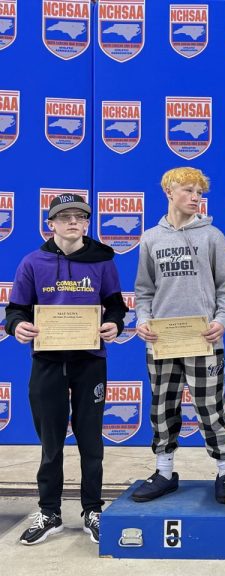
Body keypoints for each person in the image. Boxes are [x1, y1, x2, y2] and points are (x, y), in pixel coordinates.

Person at [5, 193, 128, 545]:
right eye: (65, 216)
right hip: (48, 361)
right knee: (51, 441)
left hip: (89, 361)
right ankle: (50, 511)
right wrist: (17, 326)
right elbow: (15, 309)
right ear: (51, 224)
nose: (74, 222)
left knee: (90, 440)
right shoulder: (33, 262)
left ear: (87, 223)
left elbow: (115, 306)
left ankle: (92, 509)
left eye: (80, 216)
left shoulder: (103, 260)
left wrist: (115, 324)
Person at [133, 167, 225, 505]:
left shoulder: (212, 236)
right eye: (188, 190)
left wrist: (222, 321)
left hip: (204, 339)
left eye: (199, 193)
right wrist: (142, 319)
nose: (195, 197)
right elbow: (143, 290)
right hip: (162, 341)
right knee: (162, 406)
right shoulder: (151, 238)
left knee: (210, 407)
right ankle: (164, 471)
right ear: (169, 191)